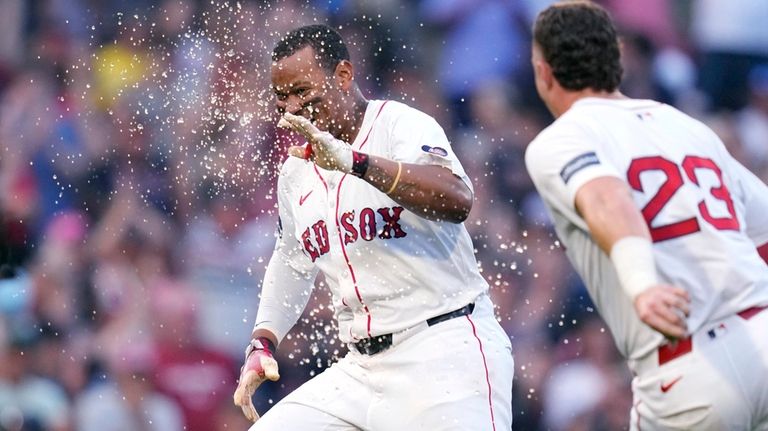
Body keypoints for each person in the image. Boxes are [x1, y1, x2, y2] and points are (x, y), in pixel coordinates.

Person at [232, 24, 513, 430]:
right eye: (282, 98)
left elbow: (456, 199)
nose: (292, 108)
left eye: (302, 91)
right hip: (360, 368)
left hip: (444, 348)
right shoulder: (296, 169)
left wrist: (354, 161)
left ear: (343, 76)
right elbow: (292, 260)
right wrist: (263, 341)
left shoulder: (399, 124)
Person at [524, 2, 768, 430]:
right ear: (616, 62)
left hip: (691, 364)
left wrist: (643, 284)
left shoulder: (561, 138)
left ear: (544, 71)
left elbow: (608, 198)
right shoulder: (686, 125)